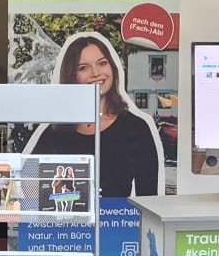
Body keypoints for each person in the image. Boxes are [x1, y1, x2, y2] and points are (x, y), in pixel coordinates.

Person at [23, 33, 162, 199]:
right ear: (72, 76)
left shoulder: (136, 128)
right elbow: (27, 189)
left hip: (117, 216)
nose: (96, 73)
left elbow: (148, 201)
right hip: (65, 214)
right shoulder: (55, 131)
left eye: (102, 63)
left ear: (112, 67)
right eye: (83, 67)